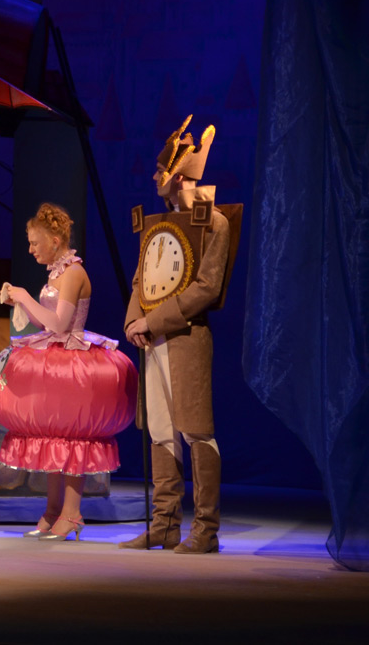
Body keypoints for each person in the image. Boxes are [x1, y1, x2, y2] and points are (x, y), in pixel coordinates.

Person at [121, 118, 236, 554]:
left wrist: (152, 322)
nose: (155, 177)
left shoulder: (214, 223)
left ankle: (205, 529)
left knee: (196, 431)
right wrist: (134, 322)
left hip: (186, 338)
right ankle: (165, 524)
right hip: (153, 342)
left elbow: (206, 287)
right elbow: (140, 281)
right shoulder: (160, 224)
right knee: (160, 431)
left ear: (180, 176)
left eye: (161, 171)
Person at [0, 204, 137, 541]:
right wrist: (20, 302)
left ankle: (72, 513)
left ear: (55, 241)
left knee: (72, 437)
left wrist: (25, 295)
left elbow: (59, 324)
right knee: (54, 437)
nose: (31, 249)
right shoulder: (55, 272)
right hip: (55, 357)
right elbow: (45, 321)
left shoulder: (73, 273)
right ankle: (53, 509)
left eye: (35, 243)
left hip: (74, 362)